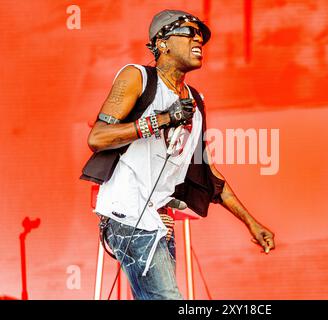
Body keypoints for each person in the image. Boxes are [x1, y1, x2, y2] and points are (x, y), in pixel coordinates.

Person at [81, 9, 275, 300]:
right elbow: (97, 138)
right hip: (127, 214)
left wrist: (251, 222)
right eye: (189, 32)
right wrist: (161, 119)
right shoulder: (139, 78)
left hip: (158, 220)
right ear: (162, 43)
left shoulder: (195, 102)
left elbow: (207, 173)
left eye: (201, 35)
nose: (198, 39)